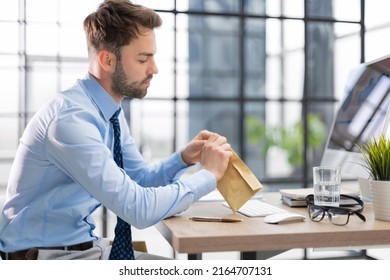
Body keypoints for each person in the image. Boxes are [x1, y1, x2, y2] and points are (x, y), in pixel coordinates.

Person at [0, 0, 232, 260]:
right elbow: (138, 210)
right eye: (144, 59)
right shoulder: (70, 121)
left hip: (84, 249)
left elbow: (139, 179)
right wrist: (209, 174)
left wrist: (183, 159)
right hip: (45, 260)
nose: (154, 69)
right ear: (107, 60)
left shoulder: (110, 111)